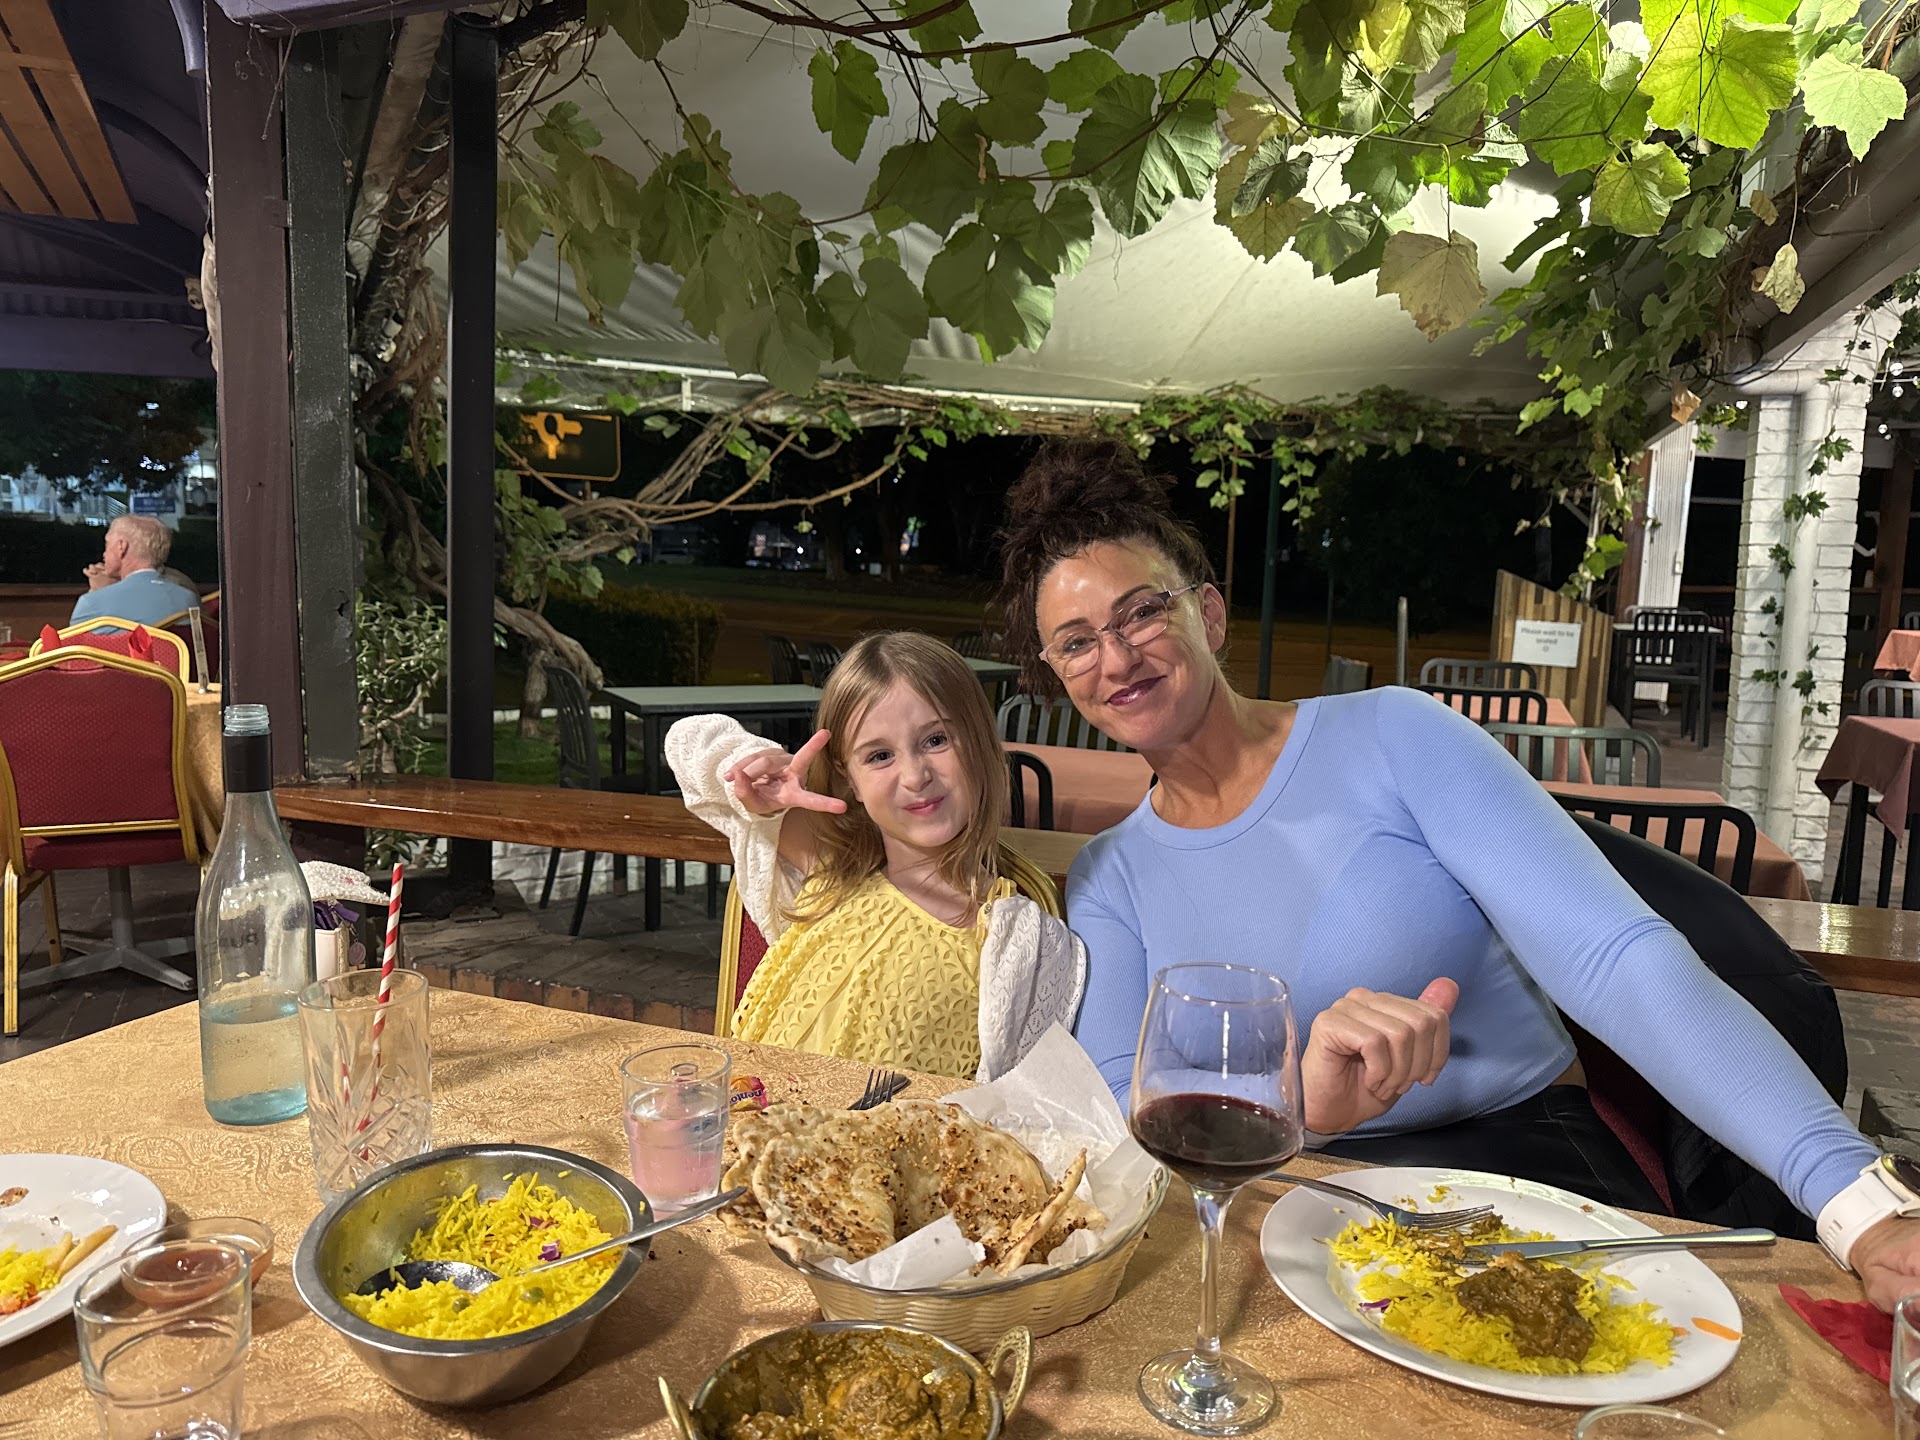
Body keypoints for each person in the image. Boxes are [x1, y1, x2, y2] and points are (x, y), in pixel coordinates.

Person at [995, 436, 1920, 1312]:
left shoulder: (1396, 735)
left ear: (1206, 613)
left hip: (1517, 1159)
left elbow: (1618, 959)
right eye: (1076, 641)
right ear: (1056, 675)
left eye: (1140, 612)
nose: (1116, 657)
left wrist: (1859, 1201)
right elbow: (1127, 1109)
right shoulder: (1109, 874)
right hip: (1277, 1186)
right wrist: (1303, 1110)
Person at [665, 630, 1085, 1080]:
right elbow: (687, 741)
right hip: (747, 1112)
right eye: (880, 755)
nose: (915, 776)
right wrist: (760, 764)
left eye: (936, 740)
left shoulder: (1015, 938)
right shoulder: (832, 865)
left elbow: (1020, 1094)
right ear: (849, 778)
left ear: (980, 741)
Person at [70, 516, 199, 627]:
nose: (104, 554)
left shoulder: (92, 604)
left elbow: (74, 647)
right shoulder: (189, 600)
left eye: (107, 545)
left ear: (121, 547)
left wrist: (98, 593)